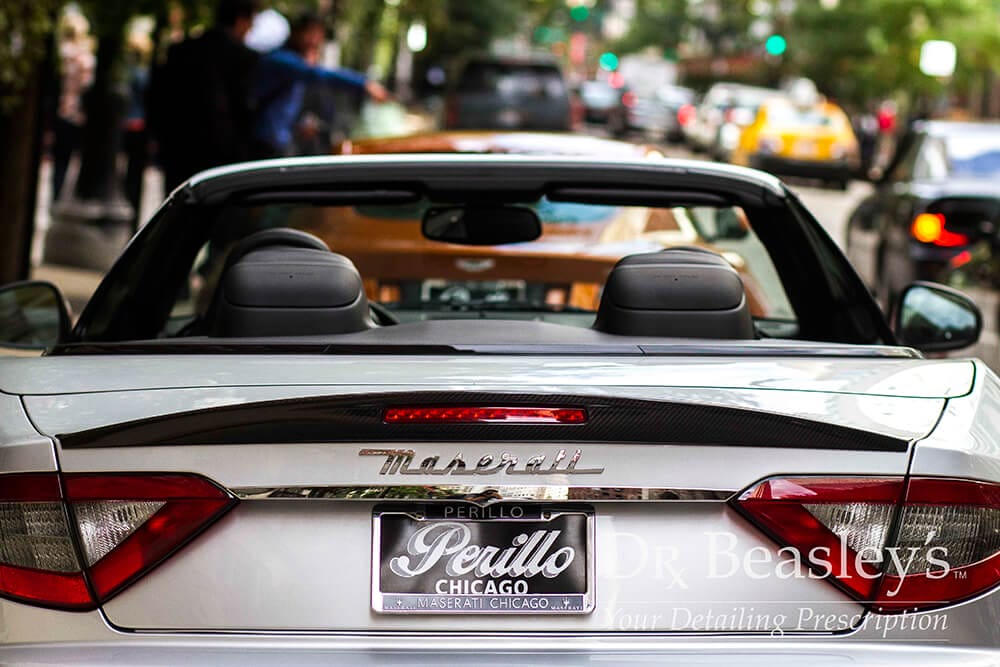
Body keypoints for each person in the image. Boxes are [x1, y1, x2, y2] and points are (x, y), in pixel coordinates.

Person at [147, 0, 260, 191]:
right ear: (241, 20)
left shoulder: (181, 50)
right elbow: (245, 108)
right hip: (222, 156)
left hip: (178, 147)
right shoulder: (243, 57)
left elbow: (157, 97)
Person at [251, 13, 388, 159]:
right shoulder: (283, 60)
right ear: (297, 33)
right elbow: (321, 75)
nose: (316, 41)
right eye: (312, 34)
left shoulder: (296, 65)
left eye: (319, 35)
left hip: (279, 140)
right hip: (265, 141)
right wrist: (364, 84)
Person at [51, 12, 95, 202]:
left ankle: (55, 194)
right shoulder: (84, 59)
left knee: (58, 159)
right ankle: (59, 196)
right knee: (66, 159)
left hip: (59, 111)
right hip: (74, 113)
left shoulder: (59, 56)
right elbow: (87, 86)